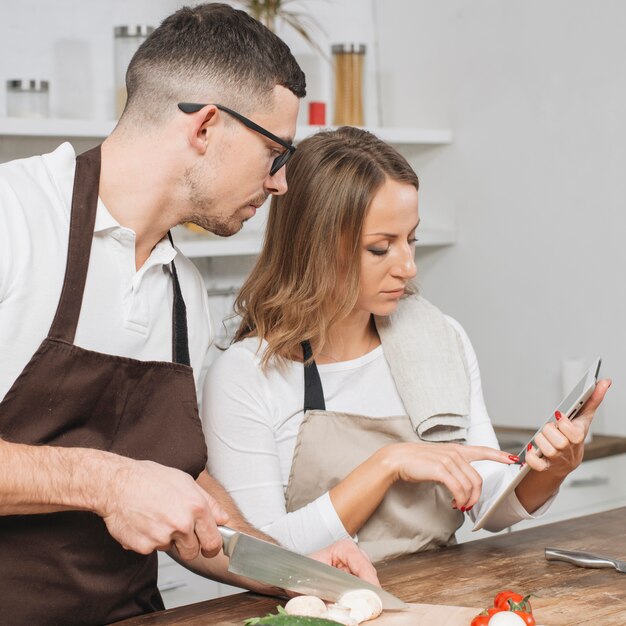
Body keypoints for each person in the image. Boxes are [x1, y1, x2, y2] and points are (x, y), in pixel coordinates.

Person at [0, 6, 377, 625]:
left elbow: (183, 487)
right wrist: (107, 483)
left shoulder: (183, 290)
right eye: (276, 153)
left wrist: (287, 570)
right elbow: (128, 483)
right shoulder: (16, 220)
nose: (281, 183)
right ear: (205, 127)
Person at [202, 126, 611, 562]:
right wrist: (386, 465)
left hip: (437, 600)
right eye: (381, 248)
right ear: (313, 247)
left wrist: (549, 470)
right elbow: (259, 557)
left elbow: (489, 502)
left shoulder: (440, 340)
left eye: (410, 239)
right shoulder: (247, 374)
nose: (409, 267)